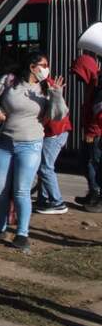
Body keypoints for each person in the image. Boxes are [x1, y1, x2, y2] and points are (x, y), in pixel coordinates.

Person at [0, 52, 68, 251]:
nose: (46, 68)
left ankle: (22, 234)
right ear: (32, 67)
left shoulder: (46, 87)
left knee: (21, 190)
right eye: (43, 64)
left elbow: (58, 115)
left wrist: (57, 95)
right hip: (6, 142)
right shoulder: (9, 81)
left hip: (31, 144)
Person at [71, 54, 102, 212]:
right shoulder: (92, 84)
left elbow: (99, 112)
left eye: (79, 74)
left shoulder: (98, 85)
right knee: (86, 162)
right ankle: (93, 193)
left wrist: (92, 132)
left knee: (94, 163)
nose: (78, 78)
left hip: (96, 134)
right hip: (91, 131)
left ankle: (97, 196)